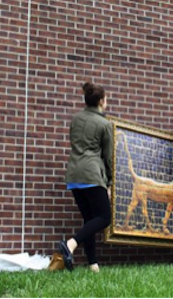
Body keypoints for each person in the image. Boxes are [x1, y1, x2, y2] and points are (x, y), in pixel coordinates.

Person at [57, 82, 114, 273]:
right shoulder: (105, 124)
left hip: (74, 174)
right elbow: (108, 157)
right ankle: (71, 244)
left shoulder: (76, 119)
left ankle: (93, 265)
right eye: (105, 99)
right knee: (104, 217)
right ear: (100, 101)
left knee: (89, 219)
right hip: (92, 174)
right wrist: (110, 181)